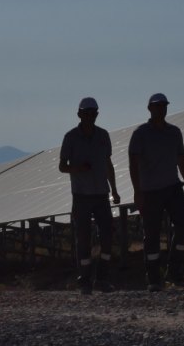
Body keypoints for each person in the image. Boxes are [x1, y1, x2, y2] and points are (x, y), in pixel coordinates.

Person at [129, 93, 184, 292]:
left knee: (183, 224)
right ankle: (154, 279)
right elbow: (133, 164)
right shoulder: (140, 134)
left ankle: (175, 272)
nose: (162, 109)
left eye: (164, 106)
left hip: (173, 187)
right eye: (158, 106)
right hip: (150, 191)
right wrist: (137, 191)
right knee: (152, 234)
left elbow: (181, 159)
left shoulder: (174, 132)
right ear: (149, 108)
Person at [59, 97, 121, 294]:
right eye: (86, 113)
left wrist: (115, 189)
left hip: (102, 194)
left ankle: (102, 279)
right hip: (81, 196)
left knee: (107, 236)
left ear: (97, 114)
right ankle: (84, 280)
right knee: (83, 238)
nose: (89, 116)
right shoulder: (70, 137)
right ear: (79, 114)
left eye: (93, 113)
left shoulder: (103, 136)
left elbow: (108, 164)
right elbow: (62, 166)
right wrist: (78, 168)